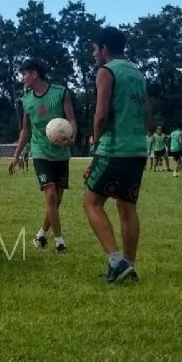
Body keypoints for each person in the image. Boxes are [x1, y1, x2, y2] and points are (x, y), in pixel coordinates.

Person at [83, 27, 147, 284]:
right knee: (126, 205)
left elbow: (101, 115)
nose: (93, 54)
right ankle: (129, 267)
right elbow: (146, 112)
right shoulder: (138, 73)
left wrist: (95, 143)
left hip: (115, 147)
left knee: (91, 202)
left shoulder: (106, 71)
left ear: (104, 49)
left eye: (94, 49)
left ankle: (115, 261)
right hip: (138, 147)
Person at [9, 59, 76, 254]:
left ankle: (41, 235)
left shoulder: (60, 92)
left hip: (61, 153)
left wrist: (72, 137)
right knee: (51, 195)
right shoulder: (26, 100)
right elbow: (25, 130)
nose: (22, 79)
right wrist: (16, 155)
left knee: (56, 201)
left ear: (34, 74)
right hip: (40, 152)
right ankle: (60, 242)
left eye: (24, 74)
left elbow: (71, 119)